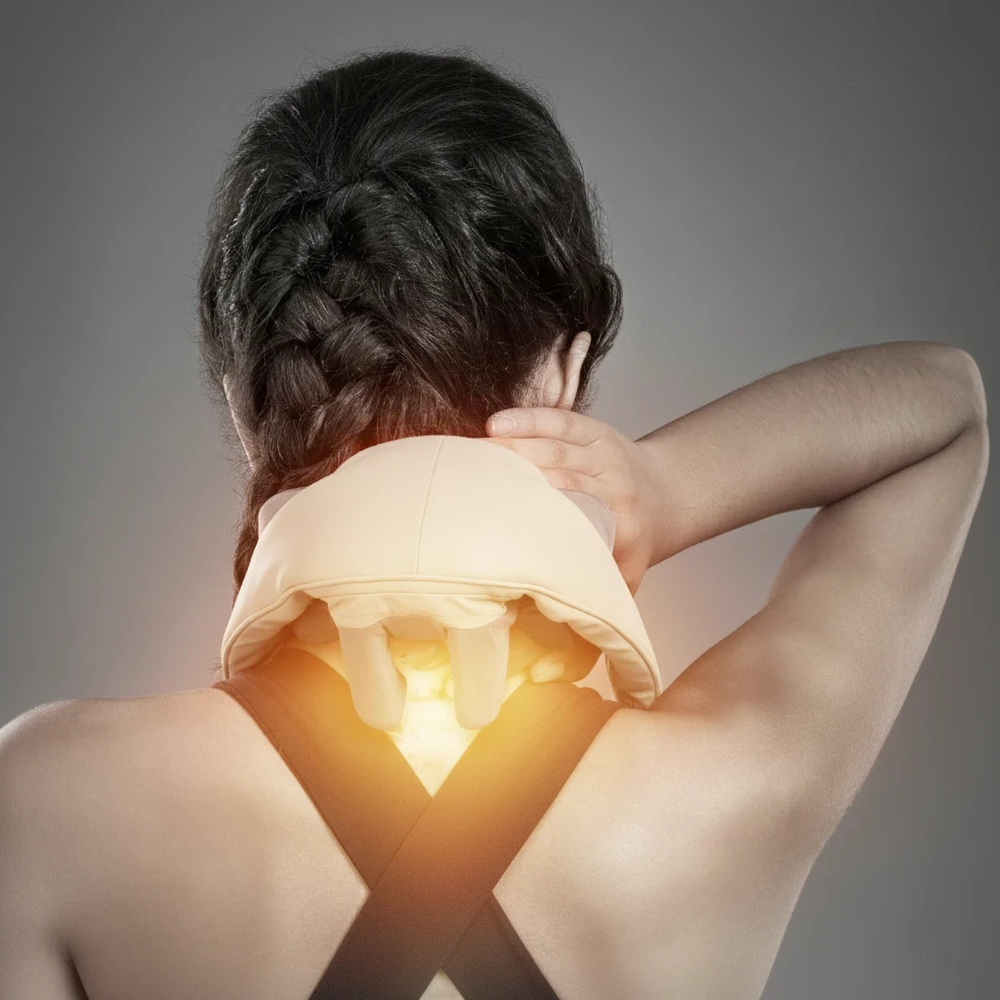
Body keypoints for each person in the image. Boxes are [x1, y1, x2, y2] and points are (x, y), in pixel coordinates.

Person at [0, 47, 989, 1000]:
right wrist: (665, 485)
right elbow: (944, 411)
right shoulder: (717, 788)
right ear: (561, 371)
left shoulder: (53, 806)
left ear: (242, 405)